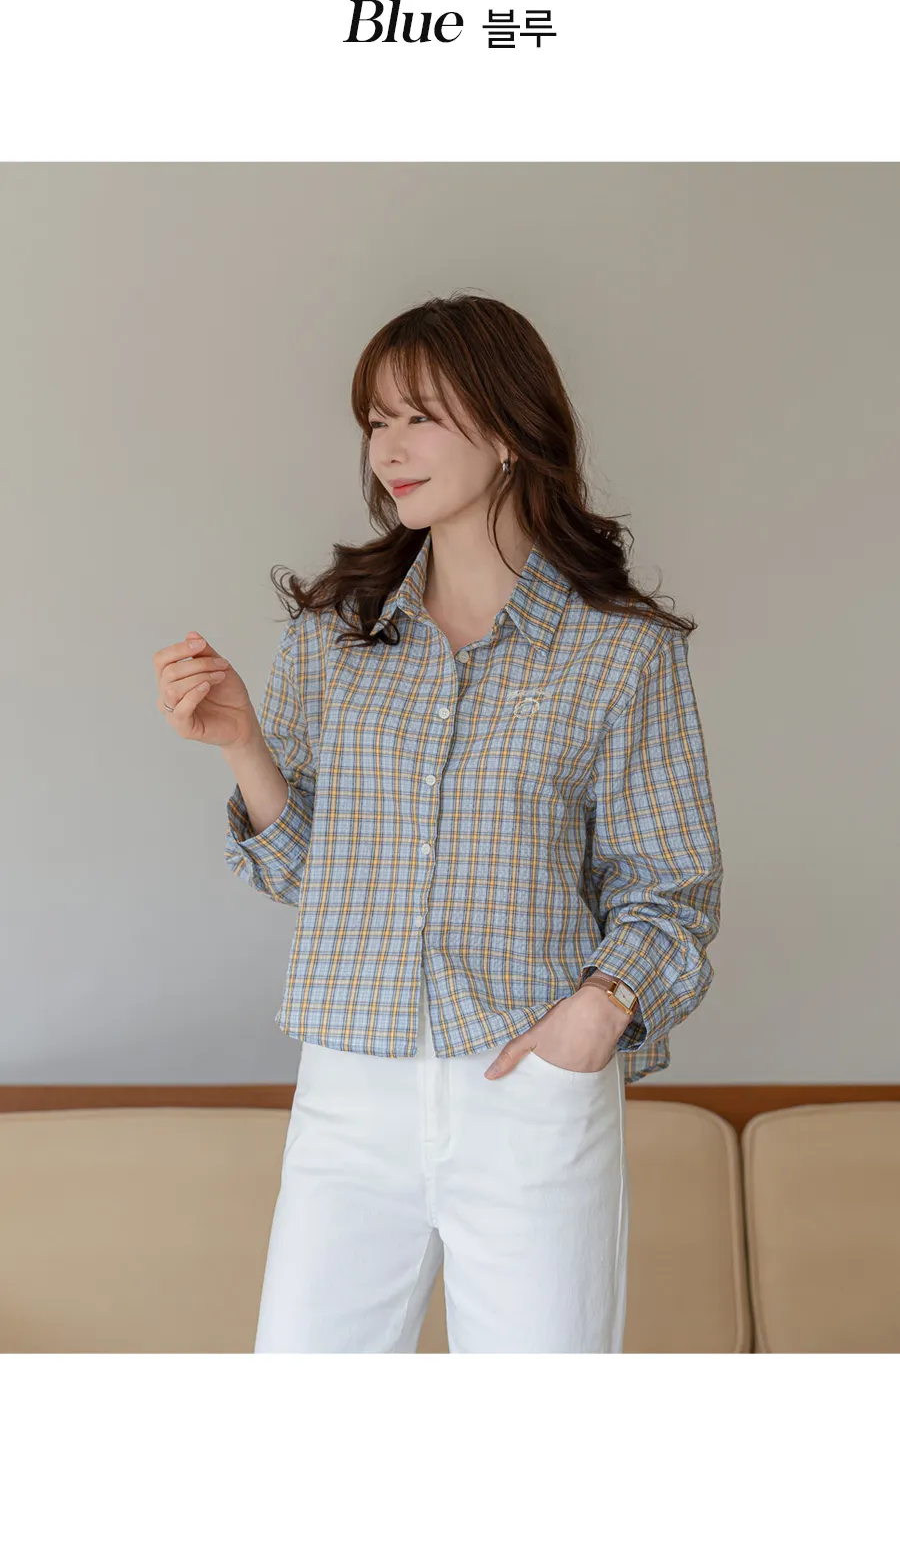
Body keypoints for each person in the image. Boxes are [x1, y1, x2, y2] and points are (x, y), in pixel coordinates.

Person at [153, 291, 723, 1353]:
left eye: (419, 416)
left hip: (527, 1087)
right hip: (349, 1084)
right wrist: (243, 744)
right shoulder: (334, 636)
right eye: (377, 420)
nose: (389, 448)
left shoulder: (622, 651)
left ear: (508, 428)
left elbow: (671, 886)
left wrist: (594, 1016)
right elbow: (307, 874)